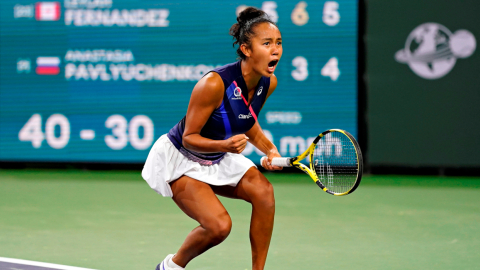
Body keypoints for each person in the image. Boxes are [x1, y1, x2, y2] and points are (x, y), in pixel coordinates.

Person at [141, 6, 283, 270]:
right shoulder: (214, 83)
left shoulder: (268, 82)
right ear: (246, 50)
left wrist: (270, 150)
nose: (275, 49)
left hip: (216, 156)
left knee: (264, 193)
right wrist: (225, 145)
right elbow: (188, 138)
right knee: (219, 227)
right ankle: (170, 267)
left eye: (278, 43)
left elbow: (246, 121)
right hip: (180, 158)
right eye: (267, 43)